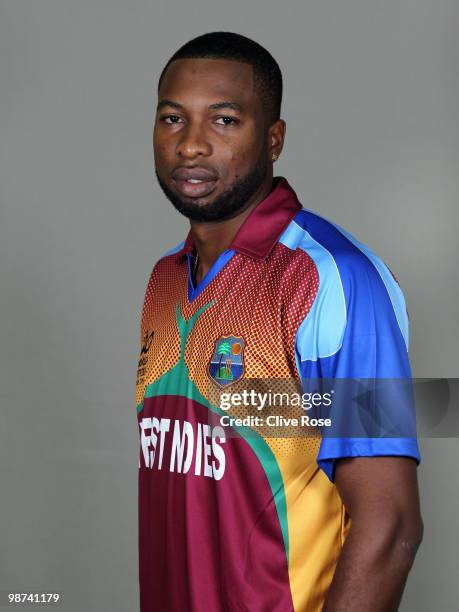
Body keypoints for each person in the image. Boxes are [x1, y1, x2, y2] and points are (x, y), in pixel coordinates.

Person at [136, 31, 423, 612]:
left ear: (274, 139)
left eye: (224, 121)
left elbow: (390, 527)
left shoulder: (334, 279)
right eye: (172, 119)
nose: (191, 145)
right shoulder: (166, 278)